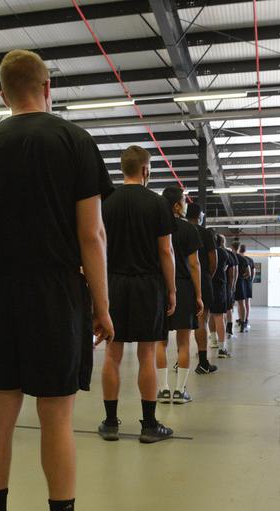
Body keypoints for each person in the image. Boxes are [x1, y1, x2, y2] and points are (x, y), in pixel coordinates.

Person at [0, 49, 113, 511]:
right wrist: (103, 306)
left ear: (2, 91)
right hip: (54, 289)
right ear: (48, 88)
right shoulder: (73, 141)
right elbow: (91, 233)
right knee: (56, 413)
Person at [100, 145, 177, 444]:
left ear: (123, 169)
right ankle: (148, 425)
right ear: (146, 170)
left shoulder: (106, 203)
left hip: (114, 284)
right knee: (147, 354)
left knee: (112, 353)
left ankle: (109, 423)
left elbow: (97, 246)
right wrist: (171, 289)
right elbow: (165, 251)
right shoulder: (157, 204)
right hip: (148, 285)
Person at [156, 187, 203, 404]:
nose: (186, 203)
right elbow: (194, 265)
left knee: (160, 341)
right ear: (176, 205)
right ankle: (179, 391)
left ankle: (163, 389)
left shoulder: (155, 228)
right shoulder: (189, 230)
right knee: (184, 342)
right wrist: (199, 295)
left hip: (160, 287)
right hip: (183, 287)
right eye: (184, 200)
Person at [187, 203, 218, 375]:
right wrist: (206, 277)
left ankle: (180, 361)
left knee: (182, 324)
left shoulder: (177, 230)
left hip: (182, 281)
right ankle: (203, 362)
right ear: (199, 216)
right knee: (201, 320)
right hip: (203, 280)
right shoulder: (206, 233)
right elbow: (213, 261)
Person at [209, 234, 235, 358]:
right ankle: (221, 348)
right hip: (220, 286)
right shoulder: (224, 253)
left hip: (206, 285)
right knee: (219, 317)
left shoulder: (204, 251)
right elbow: (230, 271)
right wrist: (230, 287)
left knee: (208, 315)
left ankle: (212, 341)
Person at [235, 244, 255, 332]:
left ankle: (241, 319)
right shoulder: (250, 260)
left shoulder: (236, 258)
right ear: (245, 250)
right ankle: (245, 320)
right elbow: (253, 273)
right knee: (246, 302)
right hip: (248, 282)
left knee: (240, 302)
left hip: (240, 282)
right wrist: (250, 281)